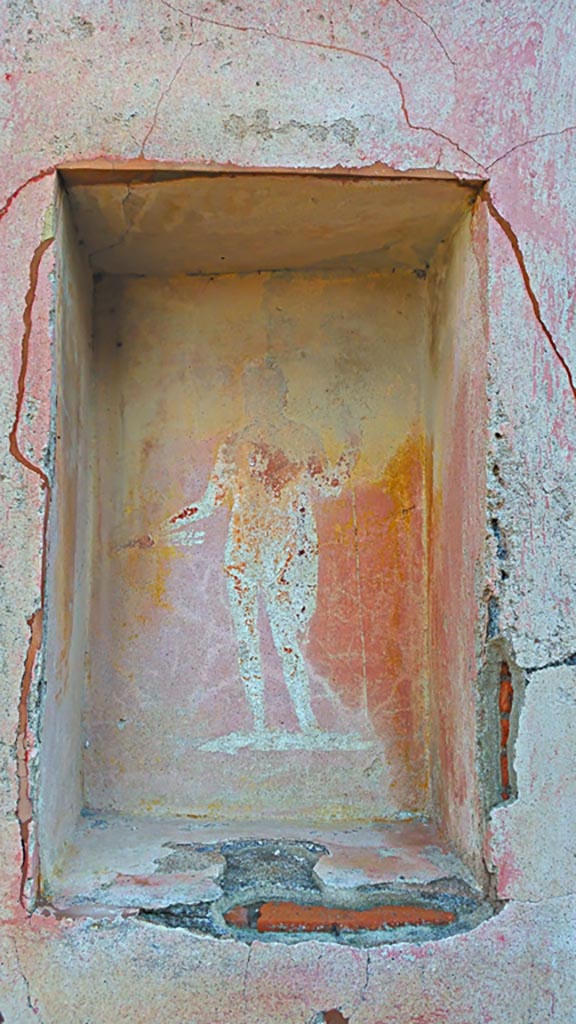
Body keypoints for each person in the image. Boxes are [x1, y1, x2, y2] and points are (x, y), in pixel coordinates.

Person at [160, 360, 360, 736]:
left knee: (288, 642)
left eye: (266, 390)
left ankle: (306, 722)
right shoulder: (233, 445)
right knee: (247, 641)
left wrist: (352, 446)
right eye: (252, 392)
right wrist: (163, 528)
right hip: (242, 557)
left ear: (282, 394)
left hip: (286, 557)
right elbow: (209, 503)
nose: (259, 399)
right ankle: (258, 725)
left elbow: (330, 485)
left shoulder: (303, 439)